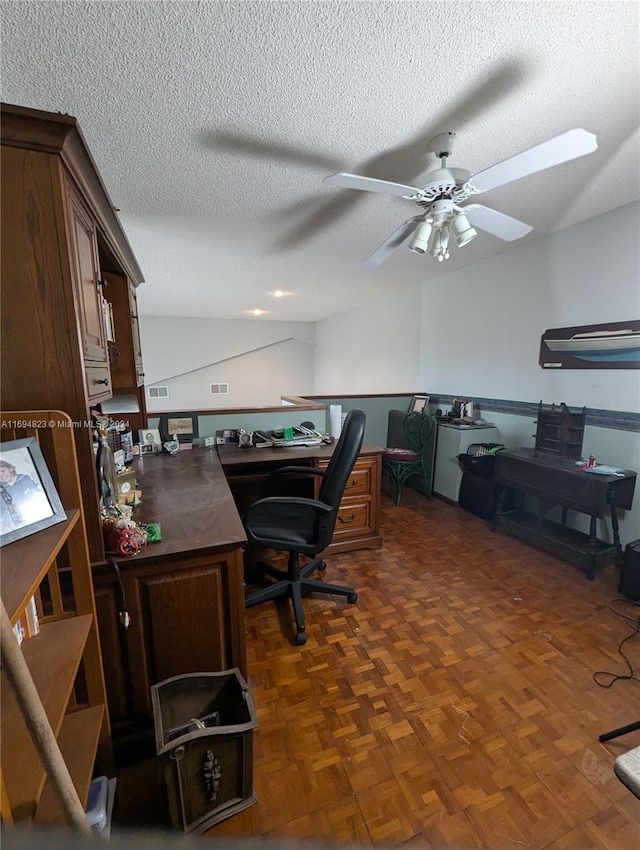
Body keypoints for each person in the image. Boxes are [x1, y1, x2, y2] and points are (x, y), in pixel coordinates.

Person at [0, 459, 50, 531]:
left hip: (34, 513)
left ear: (10, 469)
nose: (2, 475)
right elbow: (3, 508)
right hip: (17, 520)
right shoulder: (3, 489)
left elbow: (33, 497)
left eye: (3, 471)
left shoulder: (24, 479)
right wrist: (7, 524)